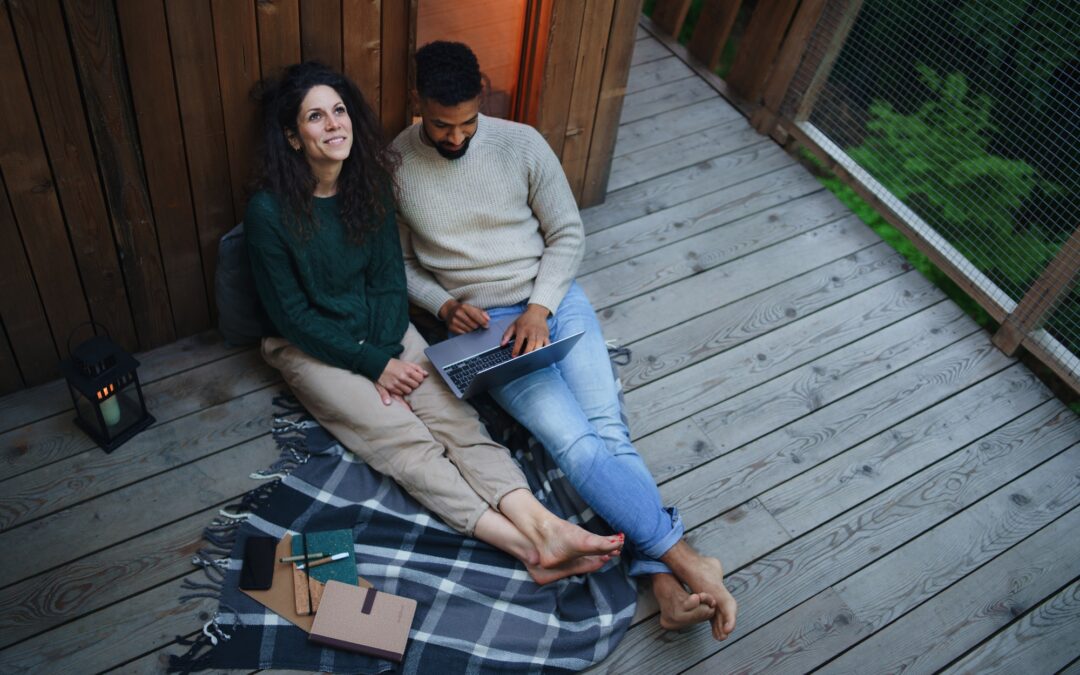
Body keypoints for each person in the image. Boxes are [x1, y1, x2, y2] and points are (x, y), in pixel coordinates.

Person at [393, 42, 738, 640]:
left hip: (552, 297)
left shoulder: (522, 143)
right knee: (573, 443)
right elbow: (397, 263)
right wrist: (444, 304)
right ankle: (685, 561)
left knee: (607, 428)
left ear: (484, 98)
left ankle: (662, 575)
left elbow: (567, 233)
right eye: (441, 125)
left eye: (468, 123)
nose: (455, 138)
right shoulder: (392, 165)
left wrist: (540, 306)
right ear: (415, 101)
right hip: (487, 327)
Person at [244, 61, 623, 586]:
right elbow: (293, 316)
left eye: (338, 110)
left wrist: (389, 351)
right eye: (315, 117)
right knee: (407, 442)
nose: (334, 124)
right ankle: (527, 550)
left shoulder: (370, 182)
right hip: (309, 346)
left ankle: (543, 523)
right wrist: (373, 364)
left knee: (456, 420)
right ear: (292, 136)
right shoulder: (269, 213)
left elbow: (386, 279)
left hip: (383, 327)